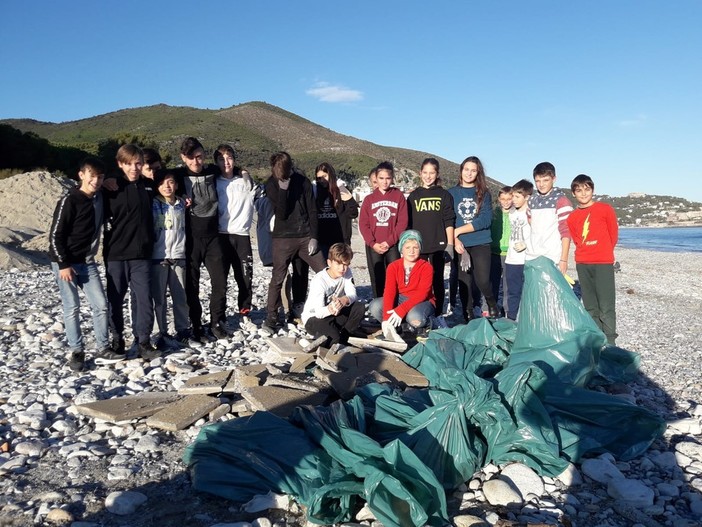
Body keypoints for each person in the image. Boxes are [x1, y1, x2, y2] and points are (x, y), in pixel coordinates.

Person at [49, 157, 110, 371]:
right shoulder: (69, 200)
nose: (96, 181)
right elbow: (56, 235)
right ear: (81, 175)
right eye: (92, 176)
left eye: (100, 177)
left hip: (87, 260)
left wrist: (112, 182)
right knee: (72, 307)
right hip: (65, 263)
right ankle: (77, 351)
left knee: (101, 305)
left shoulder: (100, 196)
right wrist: (63, 264)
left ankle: (103, 346)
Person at [102, 144, 157, 360]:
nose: (134, 168)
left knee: (144, 299)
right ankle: (117, 340)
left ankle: (143, 341)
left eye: (138, 163)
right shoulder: (111, 188)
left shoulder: (150, 186)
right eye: (129, 163)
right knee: (115, 300)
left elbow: (175, 181)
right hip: (116, 254)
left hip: (142, 254)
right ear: (120, 164)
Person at [262, 152, 326, 335]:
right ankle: (272, 316)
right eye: (280, 172)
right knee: (278, 278)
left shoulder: (303, 181)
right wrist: (283, 189)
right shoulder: (271, 185)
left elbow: (312, 210)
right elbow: (281, 214)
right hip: (282, 237)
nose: (284, 175)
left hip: (305, 235)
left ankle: (322, 309)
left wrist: (314, 236)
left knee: (324, 271)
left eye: (287, 171)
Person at [173, 137, 229, 342]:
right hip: (191, 239)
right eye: (192, 158)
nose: (197, 162)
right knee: (192, 285)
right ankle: (196, 325)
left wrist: (244, 172)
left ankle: (216, 322)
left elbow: (234, 168)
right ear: (183, 158)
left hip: (213, 236)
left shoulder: (212, 171)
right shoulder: (178, 175)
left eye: (200, 156)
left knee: (220, 282)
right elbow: (156, 177)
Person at [567, 174, 619, 344]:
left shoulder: (605, 209)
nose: (583, 193)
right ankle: (597, 338)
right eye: (579, 190)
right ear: (573, 193)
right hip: (582, 263)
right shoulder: (572, 217)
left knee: (606, 303)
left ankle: (610, 340)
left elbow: (613, 235)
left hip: (603, 262)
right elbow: (576, 239)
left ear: (593, 190)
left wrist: (603, 251)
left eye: (586, 189)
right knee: (590, 304)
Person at [448, 156, 499, 322]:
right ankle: (467, 314)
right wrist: (454, 239)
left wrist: (458, 231)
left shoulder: (484, 194)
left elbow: (484, 220)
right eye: (466, 169)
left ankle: (491, 303)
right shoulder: (451, 193)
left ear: (478, 173)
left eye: (473, 170)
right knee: (465, 283)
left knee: (483, 280)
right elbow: (448, 219)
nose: (469, 173)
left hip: (480, 242)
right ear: (461, 170)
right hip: (460, 245)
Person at [407, 157, 455, 316]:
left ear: (437, 174)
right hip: (419, 247)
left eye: (432, 173)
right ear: (420, 173)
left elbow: (449, 220)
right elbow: (409, 224)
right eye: (425, 172)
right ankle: (418, 313)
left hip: (438, 246)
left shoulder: (444, 194)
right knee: (418, 282)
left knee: (437, 281)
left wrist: (450, 244)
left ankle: (438, 314)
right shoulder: (413, 196)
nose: (428, 176)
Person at [368, 229, 436, 342]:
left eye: (415, 247)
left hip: (421, 301)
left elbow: (423, 293)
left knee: (415, 318)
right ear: (401, 250)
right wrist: (386, 319)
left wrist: (401, 310)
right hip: (401, 298)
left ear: (420, 249)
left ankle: (428, 325)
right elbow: (390, 291)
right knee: (375, 306)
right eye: (407, 247)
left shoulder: (426, 267)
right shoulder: (393, 266)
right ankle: (396, 328)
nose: (411, 251)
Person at [150, 169, 189, 350]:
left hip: (179, 255)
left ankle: (183, 329)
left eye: (171, 182)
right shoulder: (153, 204)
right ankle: (161, 332)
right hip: (159, 257)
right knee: (159, 299)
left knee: (180, 296)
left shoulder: (182, 203)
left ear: (177, 185)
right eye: (163, 182)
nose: (167, 186)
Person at [215, 144, 255, 317]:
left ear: (234, 160)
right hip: (221, 236)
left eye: (229, 158)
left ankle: (244, 311)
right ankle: (220, 315)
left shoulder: (246, 182)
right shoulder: (214, 183)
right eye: (221, 159)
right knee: (221, 279)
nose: (226, 162)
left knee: (245, 277)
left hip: (242, 236)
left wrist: (245, 173)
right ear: (216, 162)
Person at [359, 161, 408, 298]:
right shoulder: (369, 199)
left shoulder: (398, 196)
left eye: (388, 178)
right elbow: (363, 224)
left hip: (392, 244)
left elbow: (402, 222)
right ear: (376, 178)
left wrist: (390, 241)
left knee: (394, 276)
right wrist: (372, 243)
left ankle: (394, 305)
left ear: (392, 178)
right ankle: (379, 307)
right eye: (381, 178)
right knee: (377, 277)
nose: (384, 182)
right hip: (374, 245)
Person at [301, 243, 365, 347]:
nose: (342, 268)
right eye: (338, 264)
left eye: (345, 264)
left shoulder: (347, 272)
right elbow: (319, 313)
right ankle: (330, 340)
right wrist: (330, 309)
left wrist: (344, 300)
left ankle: (345, 337)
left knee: (359, 308)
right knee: (333, 337)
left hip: (335, 312)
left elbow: (353, 294)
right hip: (314, 318)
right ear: (329, 263)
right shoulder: (320, 280)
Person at [525, 162, 573, 274]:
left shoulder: (562, 201)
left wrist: (563, 260)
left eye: (545, 180)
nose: (541, 184)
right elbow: (530, 222)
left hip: (552, 258)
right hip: (532, 256)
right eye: (537, 181)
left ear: (554, 179)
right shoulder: (532, 200)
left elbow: (566, 232)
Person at [314, 162, 359, 255]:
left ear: (331, 174)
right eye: (319, 178)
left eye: (325, 176)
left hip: (340, 241)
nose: (322, 180)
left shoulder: (341, 189)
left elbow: (353, 213)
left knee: (340, 268)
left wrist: (348, 198)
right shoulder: (315, 191)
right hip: (321, 240)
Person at [504, 179, 533, 321]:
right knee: (512, 292)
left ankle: (527, 320)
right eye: (513, 196)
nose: (513, 200)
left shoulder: (531, 213)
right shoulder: (511, 213)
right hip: (511, 259)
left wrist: (526, 243)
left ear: (527, 197)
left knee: (528, 292)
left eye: (517, 197)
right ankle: (511, 318)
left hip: (526, 259)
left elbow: (538, 232)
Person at [489, 186, 513, 317]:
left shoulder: (516, 213)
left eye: (509, 199)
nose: (506, 201)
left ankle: (507, 310)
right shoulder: (494, 213)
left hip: (510, 254)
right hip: (494, 253)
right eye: (503, 199)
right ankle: (492, 308)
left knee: (508, 286)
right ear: (499, 199)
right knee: (493, 283)